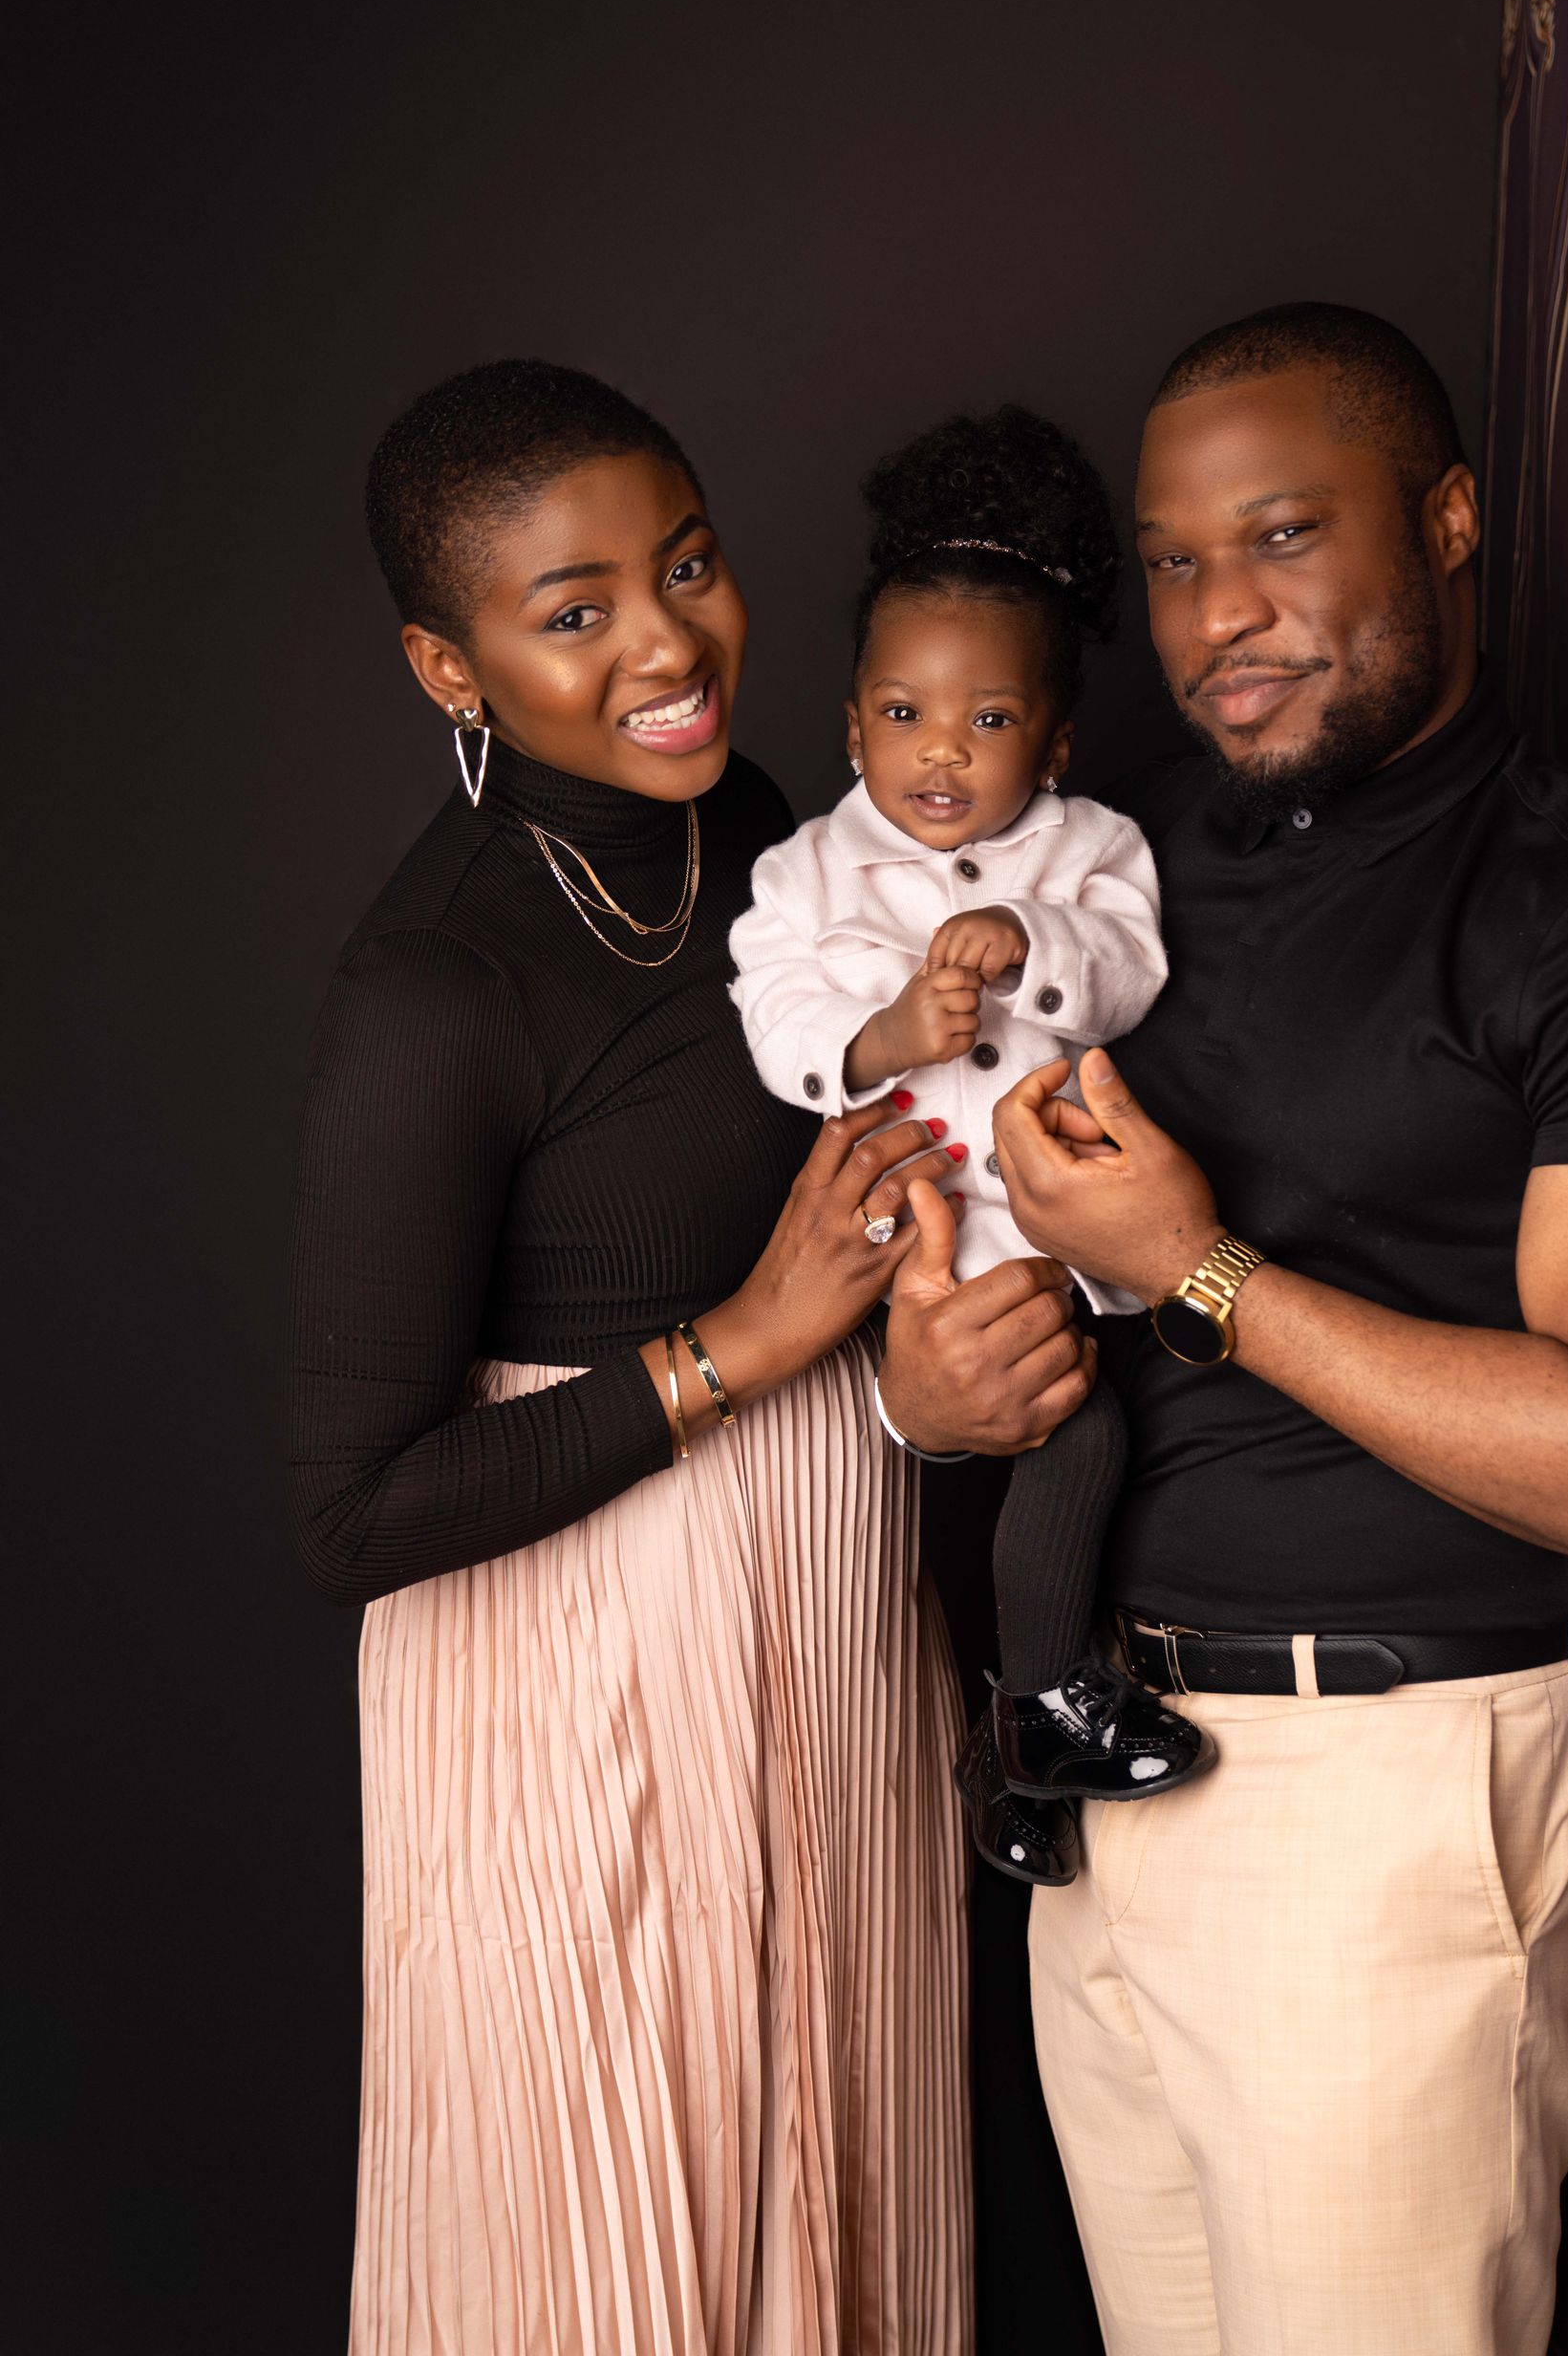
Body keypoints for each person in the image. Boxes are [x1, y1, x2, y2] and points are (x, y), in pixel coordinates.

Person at [872, 303, 1568, 2356]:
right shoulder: (1103, 869)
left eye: (1286, 538)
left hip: (1392, 1794)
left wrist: (1201, 1271)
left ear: (1450, 520)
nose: (1223, 617)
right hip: (1111, 1777)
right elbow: (983, 1221)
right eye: (1181, 562)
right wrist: (936, 1403)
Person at [289, 359, 1014, 2356]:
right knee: (600, 2244)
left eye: (683, 564)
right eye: (574, 607)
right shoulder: (432, 992)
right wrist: (746, 1343)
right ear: (452, 666)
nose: (671, 642)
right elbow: (348, 1514)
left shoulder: (772, 839)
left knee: (844, 2196)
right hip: (565, 1672)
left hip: (832, 1610)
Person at [727, 406, 1211, 1891]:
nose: (942, 754)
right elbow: (777, 1014)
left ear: (1054, 742)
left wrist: (1035, 943)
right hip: (908, 1226)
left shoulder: (1093, 846)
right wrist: (883, 1036)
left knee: (1091, 1435)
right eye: (903, 716)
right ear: (853, 722)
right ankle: (1032, 1717)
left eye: (990, 722)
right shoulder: (807, 869)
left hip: (1058, 1214)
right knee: (997, 1461)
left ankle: (1027, 1740)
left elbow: (1130, 968)